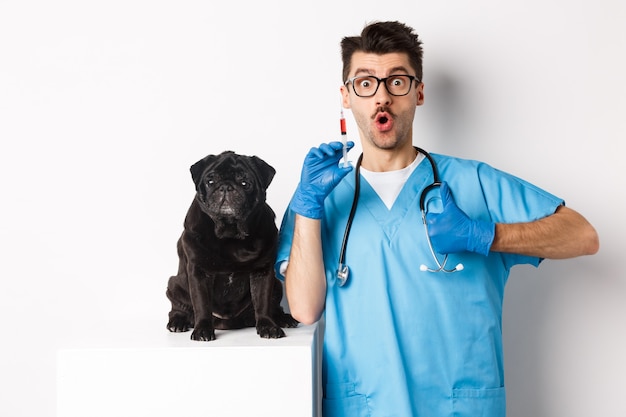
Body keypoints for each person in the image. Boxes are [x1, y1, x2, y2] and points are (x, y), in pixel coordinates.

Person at [275, 21, 599, 417]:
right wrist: (307, 206)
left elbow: (582, 235)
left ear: (419, 92)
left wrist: (482, 235)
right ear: (346, 96)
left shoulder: (473, 182)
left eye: (397, 82)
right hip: (364, 408)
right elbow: (303, 309)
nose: (381, 97)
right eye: (365, 83)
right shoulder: (321, 195)